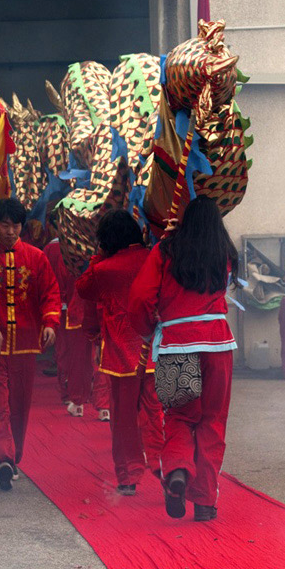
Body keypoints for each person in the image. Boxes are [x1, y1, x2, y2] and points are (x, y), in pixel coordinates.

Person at [128, 195, 238, 522]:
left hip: (177, 345)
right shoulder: (225, 255)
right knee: (212, 422)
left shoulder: (166, 251)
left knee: (178, 417)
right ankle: (205, 501)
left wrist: (149, 330)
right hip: (218, 346)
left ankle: (176, 471)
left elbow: (140, 299)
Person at [0, 198, 61, 491]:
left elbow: (50, 292)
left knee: (19, 406)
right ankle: (2, 460)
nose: (10, 231)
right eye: (5, 225)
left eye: (16, 226)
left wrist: (50, 322)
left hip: (25, 344)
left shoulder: (36, 257)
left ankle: (14, 457)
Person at [77, 209, 163, 495]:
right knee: (155, 414)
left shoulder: (104, 270)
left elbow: (83, 289)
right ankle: (164, 466)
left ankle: (128, 475)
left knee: (124, 418)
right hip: (154, 349)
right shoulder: (155, 258)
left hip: (121, 354)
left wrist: (97, 257)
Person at [43, 222, 94, 417]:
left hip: (59, 307)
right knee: (87, 355)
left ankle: (70, 393)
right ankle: (85, 395)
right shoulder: (88, 247)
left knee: (64, 353)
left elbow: (47, 279)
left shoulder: (50, 248)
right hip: (81, 306)